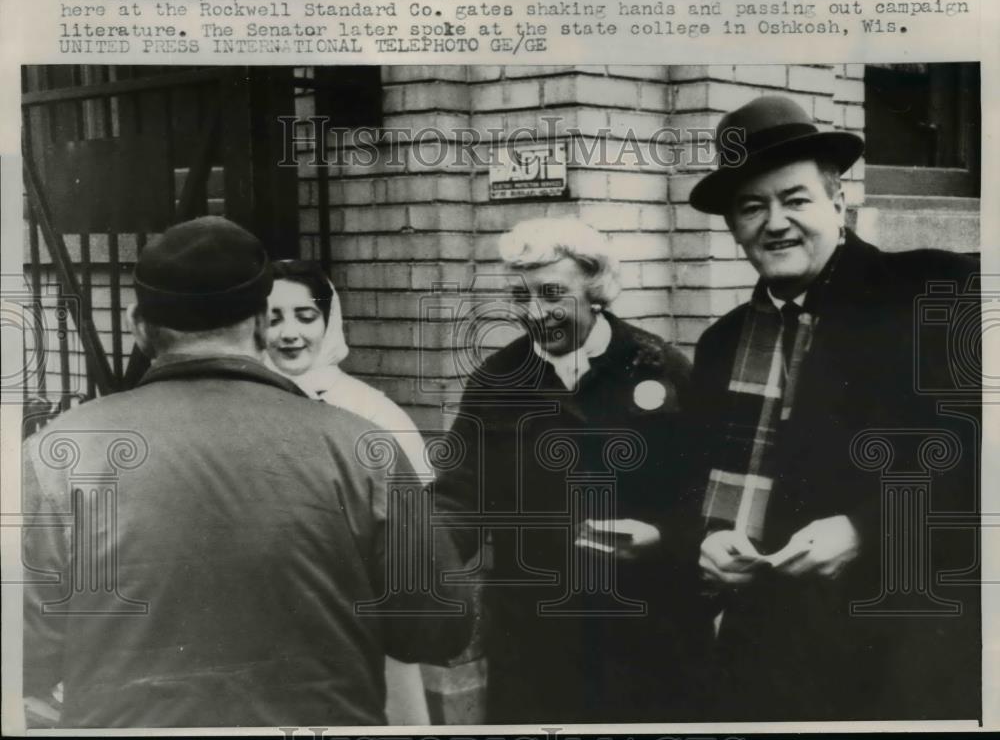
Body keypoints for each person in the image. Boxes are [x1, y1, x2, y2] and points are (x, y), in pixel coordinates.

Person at [21, 216, 472, 728]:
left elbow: (25, 652)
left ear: (136, 324)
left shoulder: (58, 453)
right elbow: (438, 627)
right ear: (261, 321)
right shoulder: (362, 446)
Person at [688, 95, 980, 720]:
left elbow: (977, 457)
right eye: (751, 207)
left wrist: (865, 530)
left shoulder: (934, 291)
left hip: (901, 646)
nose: (775, 222)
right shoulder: (719, 345)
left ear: (837, 201)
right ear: (734, 228)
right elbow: (691, 479)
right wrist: (707, 541)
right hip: (764, 656)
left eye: (795, 199)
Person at [434, 218, 712, 723]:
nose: (535, 312)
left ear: (596, 288)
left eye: (552, 294)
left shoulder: (658, 367)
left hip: (648, 634)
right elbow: (459, 494)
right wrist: (421, 546)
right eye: (521, 297)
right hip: (536, 641)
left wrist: (663, 536)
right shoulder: (497, 381)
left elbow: (709, 495)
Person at [263, 258, 432, 725]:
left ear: (328, 321)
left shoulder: (372, 412)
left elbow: (414, 535)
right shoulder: (241, 407)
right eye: (273, 318)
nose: (289, 333)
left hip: (358, 621)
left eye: (305, 316)